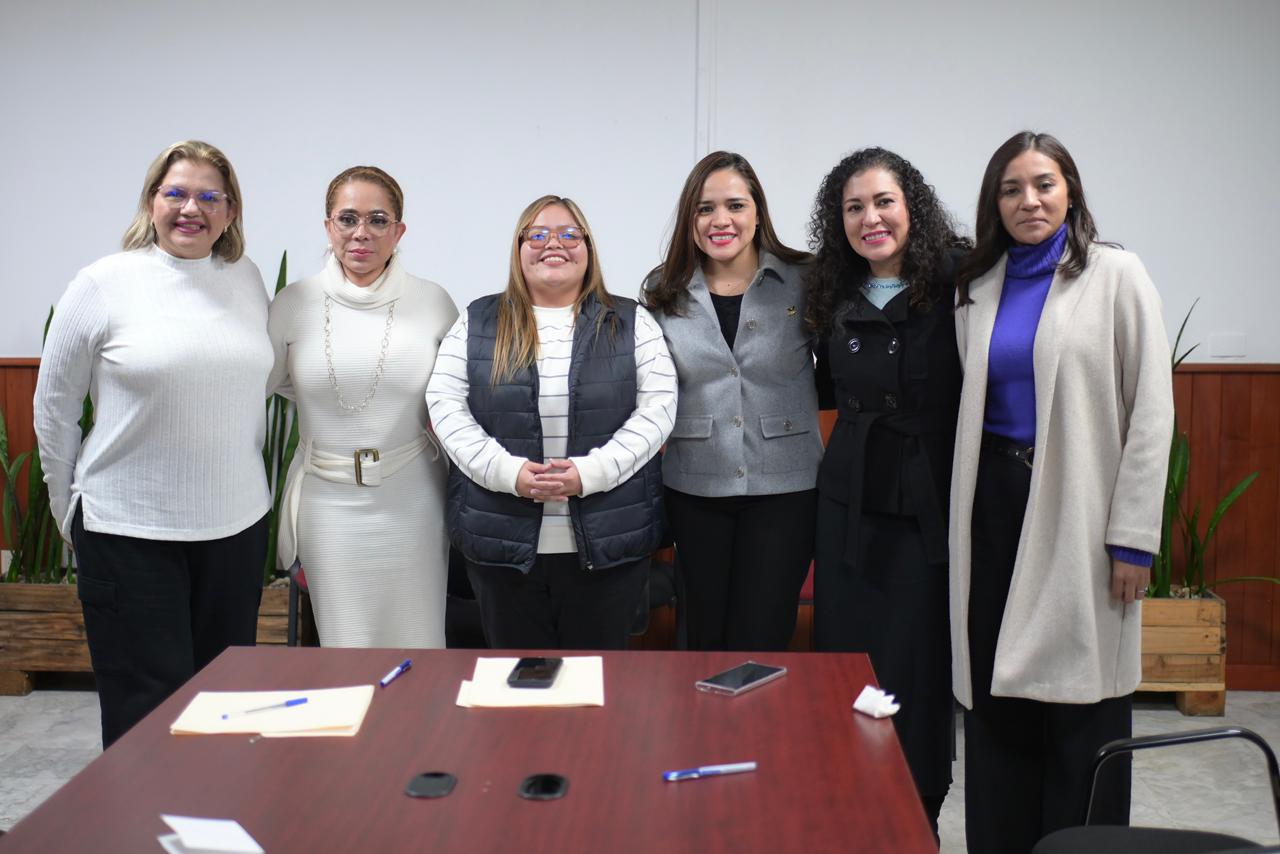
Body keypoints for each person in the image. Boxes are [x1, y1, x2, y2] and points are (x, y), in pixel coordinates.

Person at [950, 131, 1173, 852]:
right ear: (995, 204)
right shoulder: (976, 286)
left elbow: (1152, 413)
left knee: (1082, 696)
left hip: (1079, 509)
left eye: (1044, 184)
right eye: (1011, 189)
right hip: (991, 507)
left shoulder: (1115, 275)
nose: (1029, 200)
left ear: (1070, 191)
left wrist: (1132, 538)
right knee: (997, 695)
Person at [34, 140, 271, 748]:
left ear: (231, 211)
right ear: (150, 202)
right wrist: (68, 509)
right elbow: (54, 407)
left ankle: (216, 807)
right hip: (129, 532)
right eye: (177, 193)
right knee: (146, 711)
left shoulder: (246, 279)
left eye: (210, 196)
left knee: (225, 702)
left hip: (235, 529)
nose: (192, 208)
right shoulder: (102, 284)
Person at [426, 195, 676, 649]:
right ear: (519, 248)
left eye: (569, 234)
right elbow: (445, 405)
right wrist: (508, 474)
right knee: (517, 680)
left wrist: (591, 473)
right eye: (537, 234)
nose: (553, 244)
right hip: (501, 543)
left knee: (595, 680)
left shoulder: (632, 321)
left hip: (609, 544)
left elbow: (658, 408)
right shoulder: (477, 321)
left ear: (588, 248)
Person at [805, 146, 969, 834]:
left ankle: (917, 815)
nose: (870, 218)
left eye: (883, 202)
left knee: (919, 670)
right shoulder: (830, 293)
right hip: (849, 505)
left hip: (928, 504)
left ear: (912, 209)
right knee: (847, 664)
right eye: (854, 208)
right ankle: (846, 811)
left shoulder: (959, 281)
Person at [267, 166, 458, 647]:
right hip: (327, 502)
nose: (362, 233)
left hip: (413, 497)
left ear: (399, 231)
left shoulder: (433, 302)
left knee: (419, 642)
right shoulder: (293, 303)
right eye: (348, 218)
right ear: (328, 226)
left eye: (378, 220)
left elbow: (456, 396)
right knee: (344, 647)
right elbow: (265, 383)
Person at [642, 151, 821, 651]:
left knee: (762, 634)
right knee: (702, 636)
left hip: (786, 489)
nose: (720, 220)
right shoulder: (663, 288)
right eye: (705, 208)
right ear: (690, 219)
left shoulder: (805, 278)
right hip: (694, 486)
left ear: (758, 212)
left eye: (735, 205)